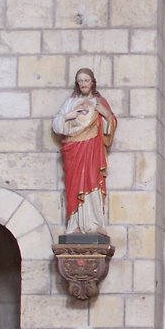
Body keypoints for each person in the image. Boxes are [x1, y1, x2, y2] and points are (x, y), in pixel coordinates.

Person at [53, 68, 117, 234]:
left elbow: (111, 121)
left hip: (91, 150)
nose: (83, 84)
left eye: (86, 80)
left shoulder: (98, 101)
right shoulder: (70, 102)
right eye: (80, 81)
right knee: (74, 185)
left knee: (91, 179)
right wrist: (69, 115)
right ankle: (74, 224)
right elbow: (57, 123)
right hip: (73, 150)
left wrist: (105, 114)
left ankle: (94, 223)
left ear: (92, 82)